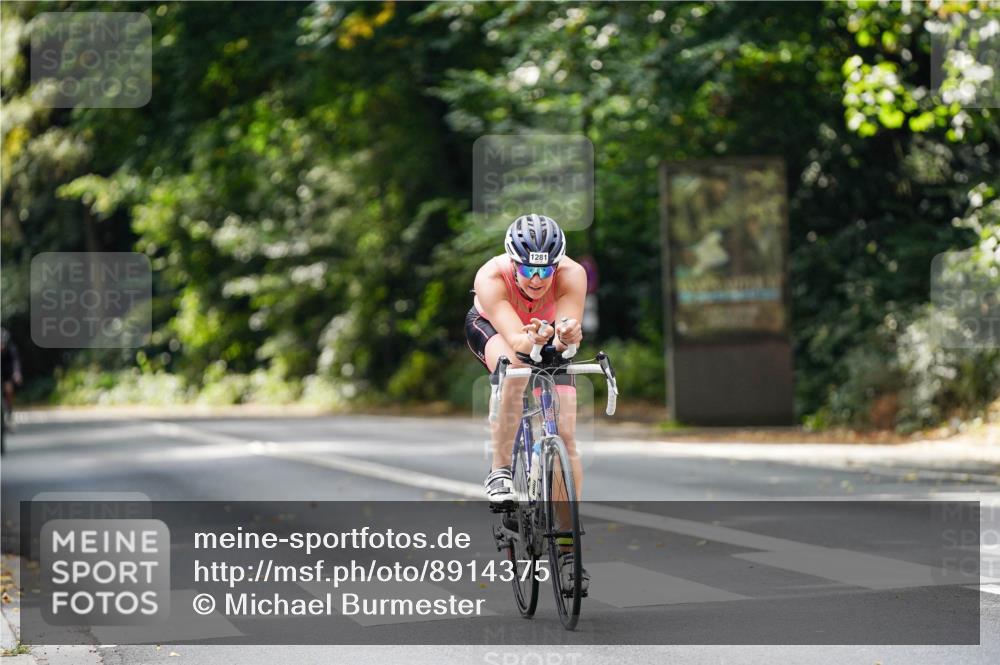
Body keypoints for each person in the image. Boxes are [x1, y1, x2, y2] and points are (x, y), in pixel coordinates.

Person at [464, 213, 589, 593]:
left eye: (545, 271)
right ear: (513, 262)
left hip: (544, 333)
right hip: (496, 329)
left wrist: (566, 335)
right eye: (527, 270)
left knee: (565, 433)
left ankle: (568, 547)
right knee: (516, 372)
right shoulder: (490, 277)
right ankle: (500, 471)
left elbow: (567, 340)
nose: (536, 280)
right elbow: (518, 342)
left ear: (557, 264)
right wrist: (535, 339)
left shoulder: (572, 275)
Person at [1, 327, 23, 431]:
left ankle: (9, 414)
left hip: (7, 374)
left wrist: (17, 374)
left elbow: (16, 362)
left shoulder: (11, 349)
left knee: (9, 390)